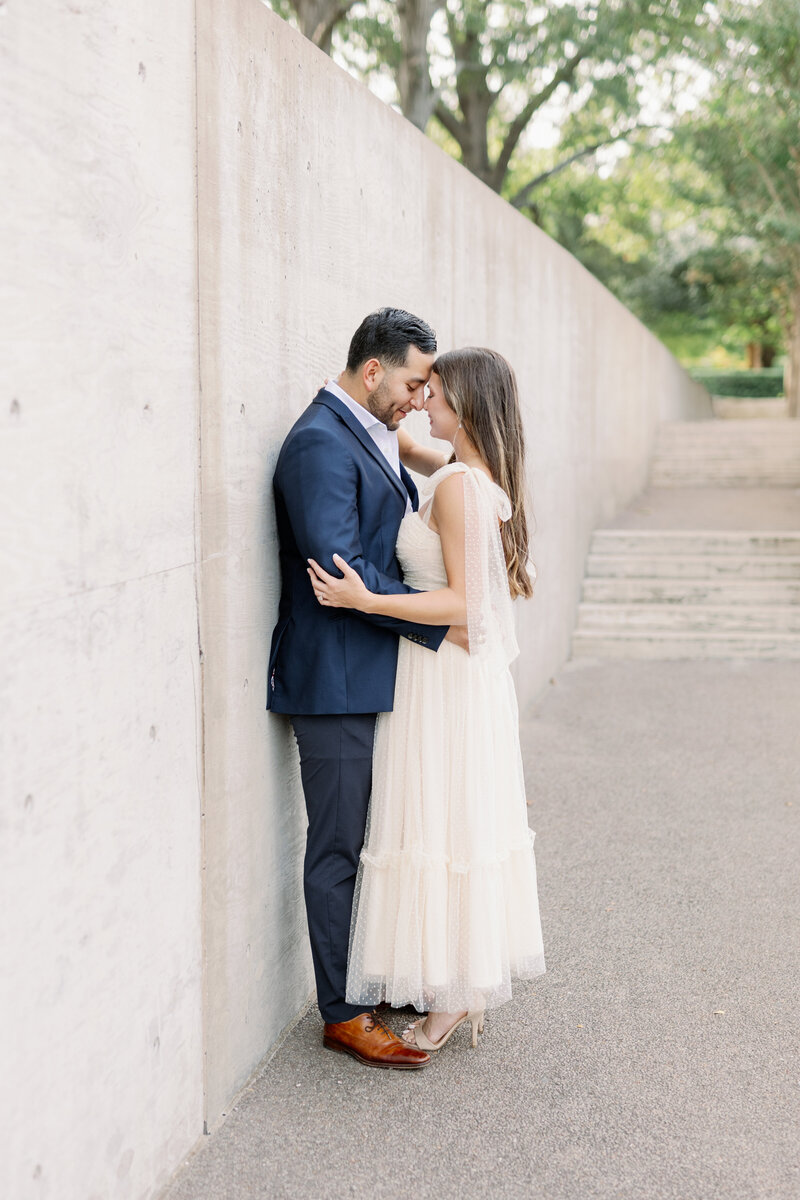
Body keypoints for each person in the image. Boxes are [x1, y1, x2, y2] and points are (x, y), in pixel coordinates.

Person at [307, 347, 546, 1052]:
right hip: (444, 679)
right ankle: (452, 984)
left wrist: (365, 596)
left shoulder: (457, 488)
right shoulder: (466, 475)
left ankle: (453, 1002)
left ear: (465, 408)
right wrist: (367, 409)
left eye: (433, 394)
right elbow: (412, 446)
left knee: (444, 827)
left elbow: (466, 607)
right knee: (446, 822)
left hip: (441, 679)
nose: (422, 404)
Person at [268, 307, 467, 1070]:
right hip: (334, 680)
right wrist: (437, 621)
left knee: (371, 841)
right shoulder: (320, 442)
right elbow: (339, 569)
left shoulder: (370, 428)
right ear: (374, 369)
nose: (420, 397)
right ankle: (342, 1012)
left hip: (368, 667)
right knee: (339, 846)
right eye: (415, 382)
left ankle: (370, 979)